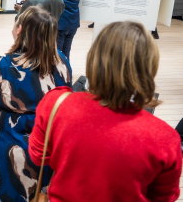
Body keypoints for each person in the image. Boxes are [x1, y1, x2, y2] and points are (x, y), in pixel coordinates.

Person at [29, 21, 182, 202]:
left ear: (94, 58)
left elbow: (38, 156)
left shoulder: (56, 103)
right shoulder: (165, 139)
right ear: (149, 67)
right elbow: (163, 197)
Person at [0, 6, 72, 201]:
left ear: (19, 30)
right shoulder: (62, 63)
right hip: (48, 145)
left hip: (8, 144)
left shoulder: (2, 65)